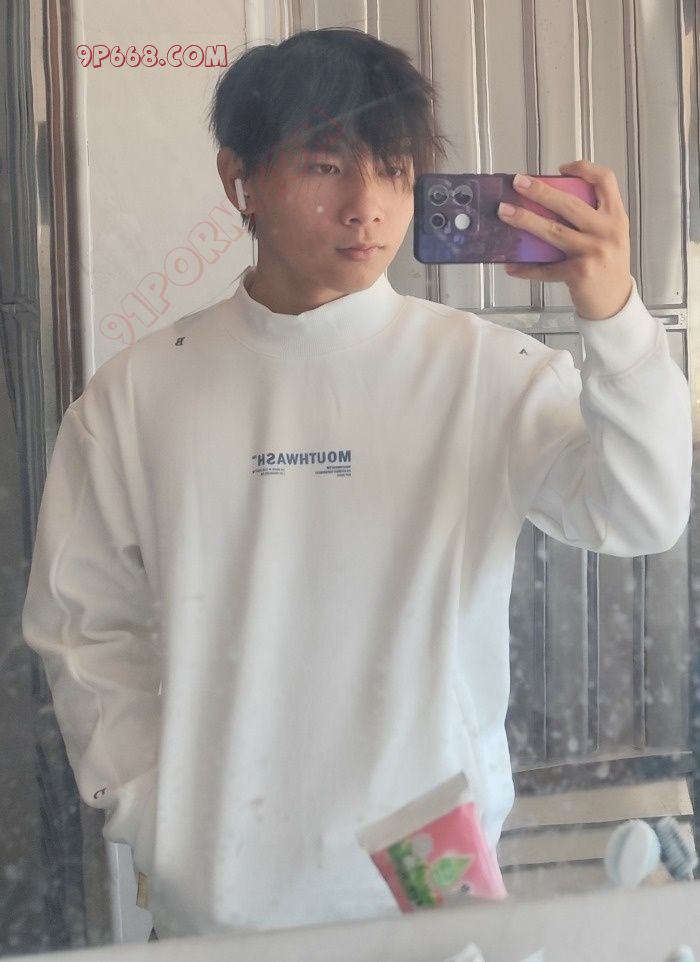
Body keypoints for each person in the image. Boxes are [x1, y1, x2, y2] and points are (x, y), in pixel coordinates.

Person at [21, 26, 692, 940]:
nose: (367, 208)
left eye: (394, 171)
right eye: (326, 167)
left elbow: (642, 513)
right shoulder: (139, 395)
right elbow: (82, 623)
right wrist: (149, 808)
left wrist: (615, 318)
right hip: (220, 893)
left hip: (431, 878)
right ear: (239, 180)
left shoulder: (486, 372)